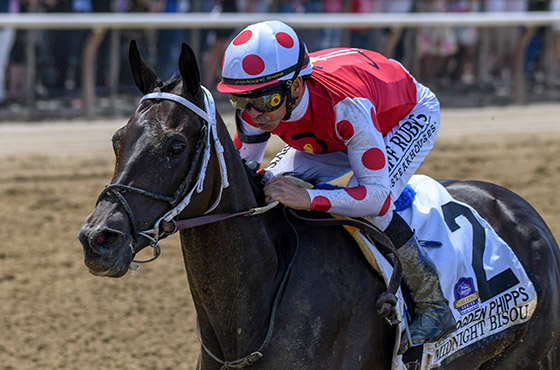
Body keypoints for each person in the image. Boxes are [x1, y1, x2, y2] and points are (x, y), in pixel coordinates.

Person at [216, 20, 456, 354]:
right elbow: (242, 174)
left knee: (374, 212)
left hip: (399, 116)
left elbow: (375, 197)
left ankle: (434, 304)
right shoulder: (260, 103)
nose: (255, 116)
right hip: (330, 133)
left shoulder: (347, 107)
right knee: (269, 187)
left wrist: (309, 197)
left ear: (296, 86)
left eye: (267, 101)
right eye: (242, 102)